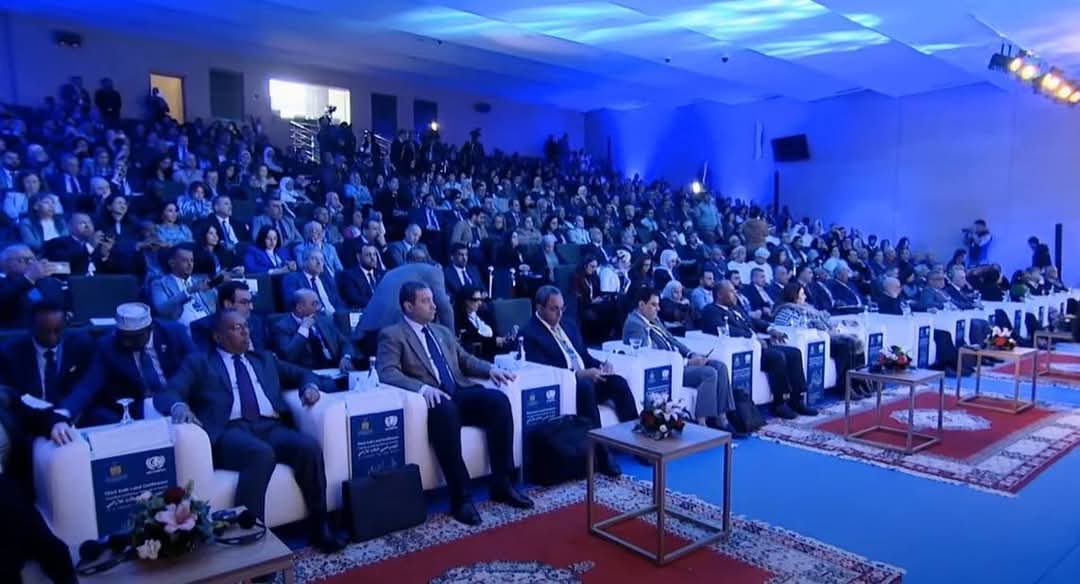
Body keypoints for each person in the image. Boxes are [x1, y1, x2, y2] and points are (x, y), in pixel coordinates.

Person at [154, 310, 346, 553]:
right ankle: (249, 540)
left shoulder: (264, 359)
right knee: (260, 454)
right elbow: (168, 393)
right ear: (217, 337)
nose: (245, 332)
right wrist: (179, 406)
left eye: (246, 326)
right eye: (236, 328)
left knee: (308, 447)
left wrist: (309, 387)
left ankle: (320, 529)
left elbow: (303, 373)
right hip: (229, 431)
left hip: (270, 426)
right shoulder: (200, 363)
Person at [376, 281, 530, 526]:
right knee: (446, 411)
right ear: (408, 306)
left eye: (432, 299)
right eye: (425, 301)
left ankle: (502, 483)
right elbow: (387, 372)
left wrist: (490, 370)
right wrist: (423, 389)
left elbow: (465, 360)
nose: (433, 305)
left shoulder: (442, 331)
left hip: (459, 390)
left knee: (498, 401)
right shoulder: (393, 335)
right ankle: (461, 498)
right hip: (431, 401)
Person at [522, 285, 635, 475]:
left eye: (562, 308)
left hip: (588, 377)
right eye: (554, 309)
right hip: (566, 386)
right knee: (585, 387)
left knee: (618, 382)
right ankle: (602, 456)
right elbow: (544, 369)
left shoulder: (568, 325)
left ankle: (637, 443)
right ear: (539, 308)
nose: (559, 314)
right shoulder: (530, 333)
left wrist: (601, 365)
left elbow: (584, 355)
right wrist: (577, 375)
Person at [49, 303, 195, 432]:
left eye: (134, 337)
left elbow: (196, 367)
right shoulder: (108, 345)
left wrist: (179, 402)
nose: (126, 343)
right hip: (138, 408)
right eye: (123, 336)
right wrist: (62, 415)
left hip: (180, 400)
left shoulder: (174, 333)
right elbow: (87, 386)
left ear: (150, 329)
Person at [622, 287, 741, 434]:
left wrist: (692, 354)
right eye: (653, 305)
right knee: (709, 373)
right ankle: (702, 424)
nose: (658, 309)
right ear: (641, 305)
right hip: (669, 369)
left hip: (680, 360)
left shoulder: (653, 319)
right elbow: (649, 355)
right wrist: (687, 362)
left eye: (658, 304)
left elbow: (672, 340)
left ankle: (722, 419)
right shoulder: (635, 324)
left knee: (720, 366)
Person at [701, 281, 817, 419]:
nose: (735, 294)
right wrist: (752, 338)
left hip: (757, 344)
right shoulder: (711, 310)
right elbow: (725, 330)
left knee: (794, 353)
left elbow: (752, 321)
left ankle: (797, 399)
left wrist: (770, 329)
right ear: (720, 294)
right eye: (731, 291)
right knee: (777, 357)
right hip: (744, 349)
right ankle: (779, 403)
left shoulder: (736, 308)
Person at [771, 283, 868, 397]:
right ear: (794, 296)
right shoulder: (785, 311)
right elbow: (791, 328)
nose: (805, 297)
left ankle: (858, 383)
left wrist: (833, 324)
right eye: (802, 294)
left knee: (856, 343)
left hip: (823, 336)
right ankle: (844, 387)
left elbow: (824, 321)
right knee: (844, 347)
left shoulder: (807, 308)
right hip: (812, 341)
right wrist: (813, 325)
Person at [272, 289, 355, 371]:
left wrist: (346, 357)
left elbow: (345, 342)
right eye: (314, 304)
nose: (319, 308)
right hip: (306, 374)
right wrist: (303, 329)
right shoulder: (281, 327)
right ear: (299, 308)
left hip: (336, 369)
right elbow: (289, 356)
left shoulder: (323, 320)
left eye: (319, 303)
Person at [149, 245, 220, 325]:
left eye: (192, 260)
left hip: (208, 324)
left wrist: (217, 282)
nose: (190, 264)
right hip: (183, 329)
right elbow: (162, 309)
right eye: (184, 260)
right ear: (172, 263)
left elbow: (215, 303)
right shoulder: (159, 284)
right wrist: (189, 291)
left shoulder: (199, 280)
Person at [190, 280, 268, 352]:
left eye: (250, 302)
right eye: (244, 302)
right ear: (228, 304)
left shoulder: (256, 321)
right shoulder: (204, 328)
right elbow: (206, 359)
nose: (251, 307)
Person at [0, 244, 65, 328]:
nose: (31, 263)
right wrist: (28, 278)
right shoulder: (4, 283)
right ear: (5, 264)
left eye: (33, 259)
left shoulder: (48, 282)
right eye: (23, 260)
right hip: (15, 332)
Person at [454, 285, 510, 361]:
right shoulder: (459, 320)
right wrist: (495, 341)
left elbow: (495, 332)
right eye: (476, 300)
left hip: (497, 352)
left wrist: (502, 340)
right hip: (479, 358)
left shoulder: (483, 313)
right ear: (466, 301)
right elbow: (472, 340)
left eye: (480, 299)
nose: (480, 303)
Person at [282, 248, 344, 316]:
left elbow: (338, 302)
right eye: (314, 259)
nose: (319, 263)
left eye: (321, 260)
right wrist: (322, 312)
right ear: (304, 262)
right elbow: (293, 302)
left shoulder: (327, 279)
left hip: (335, 316)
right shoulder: (293, 278)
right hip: (312, 318)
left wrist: (341, 315)